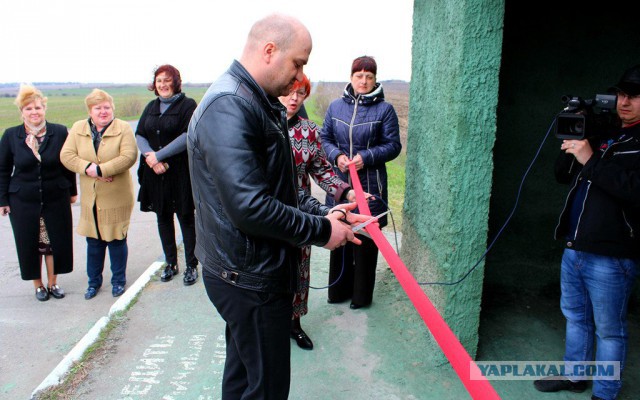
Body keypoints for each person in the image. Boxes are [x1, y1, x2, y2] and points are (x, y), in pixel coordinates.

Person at [187, 13, 372, 399]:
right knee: (267, 388)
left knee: (243, 378)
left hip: (248, 271)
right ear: (269, 51)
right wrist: (323, 232)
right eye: (298, 63)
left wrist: (324, 212)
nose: (299, 75)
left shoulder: (254, 100)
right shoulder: (230, 106)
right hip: (248, 277)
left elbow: (278, 187)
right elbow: (250, 207)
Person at [533, 64, 640, 400]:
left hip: (613, 255)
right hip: (576, 247)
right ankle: (575, 376)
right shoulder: (608, 134)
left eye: (635, 96)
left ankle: (605, 393)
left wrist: (591, 159)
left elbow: (634, 189)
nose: (625, 101)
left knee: (610, 330)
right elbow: (563, 175)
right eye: (622, 94)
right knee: (576, 317)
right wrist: (573, 141)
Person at [279, 73, 363, 350]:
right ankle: (270, 323)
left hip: (302, 213)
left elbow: (322, 170)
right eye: (289, 91)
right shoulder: (261, 126)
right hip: (269, 213)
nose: (293, 98)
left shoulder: (309, 131)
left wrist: (347, 191)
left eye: (300, 93)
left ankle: (293, 323)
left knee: (300, 266)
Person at [320, 55, 402, 309]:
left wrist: (365, 158)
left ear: (375, 79)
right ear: (351, 77)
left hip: (370, 185)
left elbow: (393, 146)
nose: (363, 81)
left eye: (369, 76)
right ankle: (338, 292)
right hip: (340, 185)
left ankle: (361, 297)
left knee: (365, 242)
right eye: (359, 76)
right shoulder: (335, 107)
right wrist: (338, 156)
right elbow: (325, 138)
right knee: (339, 235)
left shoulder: (384, 110)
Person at [0, 84, 77, 301]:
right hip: (23, 200)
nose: (34, 112)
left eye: (38, 107)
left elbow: (67, 163)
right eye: (29, 109)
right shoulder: (10, 136)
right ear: (21, 112)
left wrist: (72, 191)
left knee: (53, 243)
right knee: (31, 244)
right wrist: (2, 199)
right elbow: (3, 169)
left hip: (55, 197)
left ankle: (53, 283)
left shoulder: (60, 132)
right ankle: (38, 286)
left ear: (44, 108)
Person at [61, 89, 138, 300]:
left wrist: (101, 170)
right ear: (90, 111)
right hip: (91, 198)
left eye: (106, 107)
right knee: (94, 242)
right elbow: (67, 155)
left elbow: (129, 156)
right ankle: (93, 283)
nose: (103, 112)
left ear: (112, 108)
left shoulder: (122, 128)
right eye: (98, 108)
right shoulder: (78, 128)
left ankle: (118, 281)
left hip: (116, 195)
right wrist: (88, 168)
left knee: (116, 239)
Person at [136, 64, 198, 285]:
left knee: (185, 218)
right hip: (155, 173)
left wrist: (159, 155)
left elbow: (186, 135)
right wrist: (150, 158)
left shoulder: (187, 105)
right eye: (159, 80)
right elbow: (140, 134)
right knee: (163, 217)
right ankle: (170, 263)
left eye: (166, 80)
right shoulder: (151, 107)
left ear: (175, 82)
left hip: (179, 173)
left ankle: (191, 264)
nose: (162, 84)